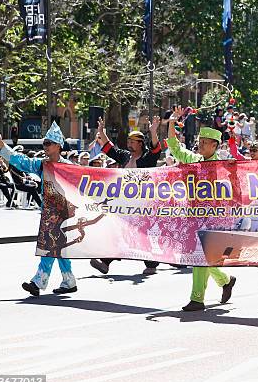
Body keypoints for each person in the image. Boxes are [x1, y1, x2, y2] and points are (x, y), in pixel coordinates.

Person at [0, 123, 78, 296]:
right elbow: (21, 161)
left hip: (63, 213)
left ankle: (39, 281)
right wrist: (2, 145)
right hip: (48, 211)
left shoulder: (70, 167)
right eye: (44, 143)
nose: (45, 146)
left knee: (49, 244)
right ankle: (69, 280)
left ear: (58, 146)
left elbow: (86, 183)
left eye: (49, 143)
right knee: (57, 247)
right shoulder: (42, 164)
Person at [166, 109, 236, 311]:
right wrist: (171, 123)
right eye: (200, 141)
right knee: (203, 257)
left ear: (215, 145)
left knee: (201, 255)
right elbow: (174, 147)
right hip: (194, 216)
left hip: (215, 219)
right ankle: (225, 280)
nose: (200, 144)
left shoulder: (224, 165)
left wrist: (233, 169)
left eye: (205, 142)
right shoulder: (193, 160)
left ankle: (197, 299)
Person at [89, 116, 162, 275]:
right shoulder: (124, 156)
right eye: (128, 141)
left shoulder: (147, 158)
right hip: (124, 201)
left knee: (142, 233)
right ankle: (106, 262)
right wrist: (101, 131)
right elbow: (109, 148)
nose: (129, 144)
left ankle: (151, 263)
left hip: (143, 203)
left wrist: (154, 131)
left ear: (140, 143)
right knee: (118, 230)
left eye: (132, 142)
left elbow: (156, 148)